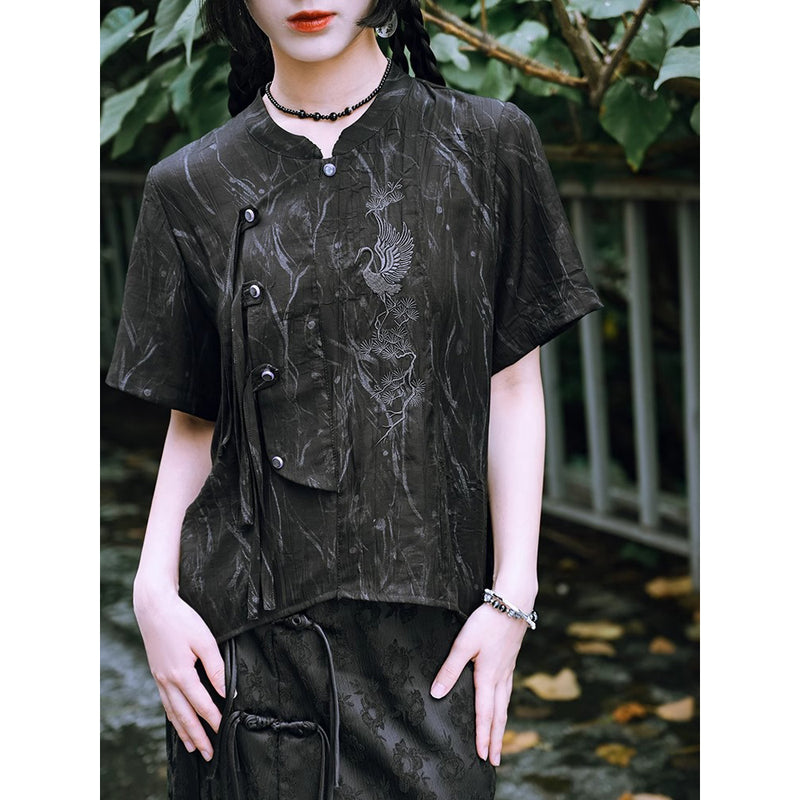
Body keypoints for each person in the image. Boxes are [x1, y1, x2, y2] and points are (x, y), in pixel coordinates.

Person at [105, 0, 602, 797]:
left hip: (431, 647)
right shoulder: (190, 184)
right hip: (247, 654)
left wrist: (514, 595)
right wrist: (152, 592)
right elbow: (196, 420)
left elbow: (512, 385)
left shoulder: (486, 144)